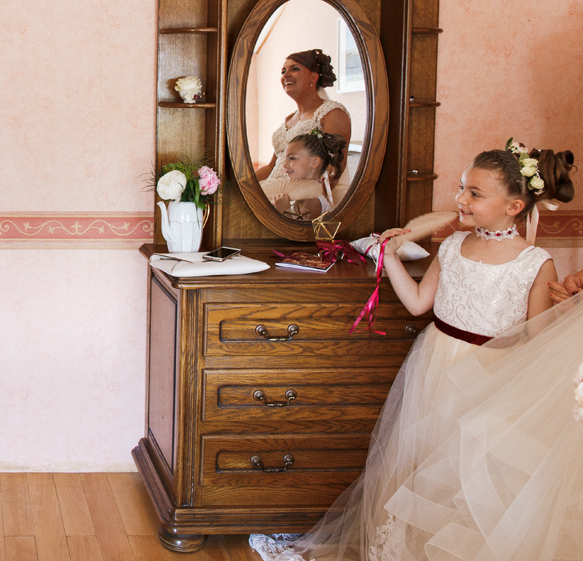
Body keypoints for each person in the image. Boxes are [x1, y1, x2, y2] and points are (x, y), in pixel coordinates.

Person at [250, 142, 583, 561]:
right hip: (436, 366)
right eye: (462, 188)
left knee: (470, 471)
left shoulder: (535, 262)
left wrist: (564, 306)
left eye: (475, 194)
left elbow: (537, 340)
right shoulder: (452, 246)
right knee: (422, 464)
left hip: (493, 376)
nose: (460, 199)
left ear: (514, 206)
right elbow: (419, 304)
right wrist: (387, 255)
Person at [254, 49, 352, 185]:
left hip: (301, 200)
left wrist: (296, 201)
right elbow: (271, 167)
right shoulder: (289, 119)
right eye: (283, 71)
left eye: (294, 69)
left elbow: (334, 171)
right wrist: (240, 184)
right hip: (273, 193)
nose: (286, 75)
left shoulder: (332, 114)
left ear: (313, 77)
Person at [265, 130, 347, 220]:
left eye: (292, 158)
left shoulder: (312, 200)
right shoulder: (302, 194)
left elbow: (298, 233)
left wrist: (284, 210)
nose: (284, 165)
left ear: (315, 162)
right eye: (286, 159)